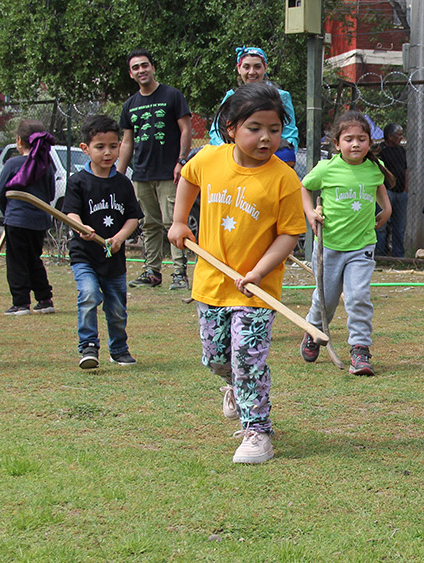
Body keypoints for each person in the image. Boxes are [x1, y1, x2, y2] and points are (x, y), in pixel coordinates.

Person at [167, 82, 306, 464]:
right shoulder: (209, 158)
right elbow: (189, 179)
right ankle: (235, 387)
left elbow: (289, 233)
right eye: (255, 128)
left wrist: (260, 272)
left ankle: (257, 432)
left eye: (274, 129)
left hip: (255, 291)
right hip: (211, 282)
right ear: (231, 127)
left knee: (248, 358)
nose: (266, 138)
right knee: (215, 358)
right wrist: (180, 221)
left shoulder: (284, 179)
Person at [300, 110, 393, 375]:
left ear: (370, 143)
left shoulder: (374, 168)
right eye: (349, 139)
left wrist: (385, 209)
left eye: (361, 139)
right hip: (329, 245)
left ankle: (360, 350)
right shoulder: (326, 169)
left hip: (362, 246)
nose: (355, 144)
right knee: (326, 299)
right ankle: (313, 330)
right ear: (337, 143)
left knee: (358, 297)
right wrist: (310, 213)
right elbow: (305, 187)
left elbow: (379, 188)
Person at [63, 115, 143, 369]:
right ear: (85, 149)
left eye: (112, 146)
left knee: (117, 308)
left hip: (113, 258)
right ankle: (88, 346)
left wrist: (120, 237)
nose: (107, 153)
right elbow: (70, 213)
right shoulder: (78, 182)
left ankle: (118, 348)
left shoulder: (123, 183)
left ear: (120, 145)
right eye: (100, 147)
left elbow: (133, 217)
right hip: (84, 255)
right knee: (88, 295)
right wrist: (80, 226)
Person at [118, 48, 192, 291]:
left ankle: (179, 273)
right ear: (131, 74)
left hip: (169, 173)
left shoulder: (172, 95)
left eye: (145, 65)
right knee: (149, 223)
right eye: (136, 67)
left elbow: (186, 129)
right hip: (141, 174)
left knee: (173, 222)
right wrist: (118, 175)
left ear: (152, 67)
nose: (142, 70)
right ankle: (152, 272)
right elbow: (127, 142)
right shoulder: (130, 104)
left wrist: (182, 161)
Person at [0, 120, 56, 315]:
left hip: (17, 220)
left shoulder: (13, 164)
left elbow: (0, 193)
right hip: (39, 221)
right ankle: (45, 299)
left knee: (16, 261)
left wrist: (8, 213)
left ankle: (21, 303)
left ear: (19, 141)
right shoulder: (47, 166)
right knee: (34, 259)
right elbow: (51, 194)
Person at [208, 46, 299, 169]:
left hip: (270, 160)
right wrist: (229, 152)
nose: (251, 72)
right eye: (246, 67)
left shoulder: (281, 97)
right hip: (235, 162)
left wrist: (283, 154)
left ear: (265, 68)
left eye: (257, 66)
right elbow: (216, 131)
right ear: (239, 69)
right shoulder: (231, 97)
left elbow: (290, 133)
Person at [375, 123, 406, 257]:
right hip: (385, 192)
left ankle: (399, 254)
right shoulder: (380, 150)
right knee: (381, 225)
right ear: (390, 136)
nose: (401, 137)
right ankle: (380, 253)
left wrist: (406, 189)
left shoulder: (401, 150)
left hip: (401, 192)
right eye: (398, 134)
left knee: (399, 227)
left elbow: (406, 170)